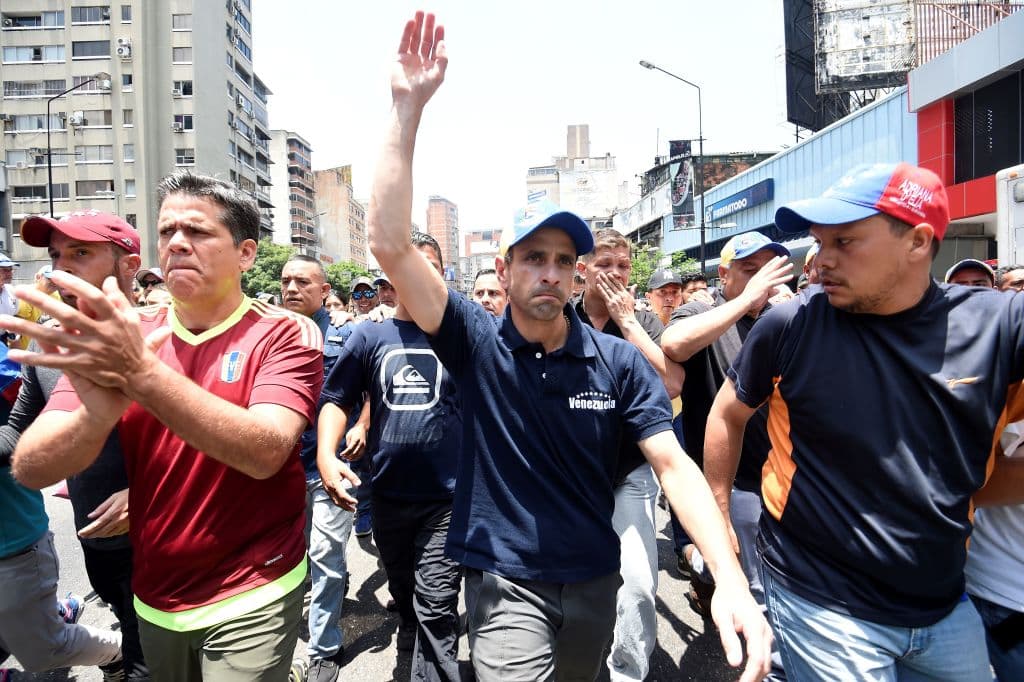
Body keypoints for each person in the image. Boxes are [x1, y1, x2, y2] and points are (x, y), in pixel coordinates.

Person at [364, 13, 770, 682]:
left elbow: (672, 465)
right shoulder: (472, 339)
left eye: (562, 259)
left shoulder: (615, 364)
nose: (549, 272)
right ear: (506, 270)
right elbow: (389, 243)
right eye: (532, 258)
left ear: (579, 272)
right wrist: (406, 108)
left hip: (592, 577)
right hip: (503, 580)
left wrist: (727, 575)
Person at [703, 161, 1024, 681]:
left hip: (944, 606)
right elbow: (725, 413)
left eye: (844, 242)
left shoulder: (998, 326)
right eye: (817, 241)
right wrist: (718, 517)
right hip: (820, 599)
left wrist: (977, 479)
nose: (819, 259)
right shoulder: (792, 324)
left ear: (918, 242)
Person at [7, 172, 324, 682]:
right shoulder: (128, 340)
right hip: (155, 595)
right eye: (167, 231)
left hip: (254, 585)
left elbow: (266, 452)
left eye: (197, 231)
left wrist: (141, 376)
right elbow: (33, 465)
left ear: (245, 254)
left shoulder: (282, 335)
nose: (177, 243)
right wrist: (96, 411)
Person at [0, 212, 141, 678]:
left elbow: (226, 452)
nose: (62, 267)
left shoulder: (171, 334)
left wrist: (148, 497)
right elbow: (19, 429)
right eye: (56, 256)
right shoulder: (50, 348)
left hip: (172, 541)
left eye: (81, 253)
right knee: (131, 639)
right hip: (97, 536)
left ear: (129, 265)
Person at [319, 233, 463, 680]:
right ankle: (407, 619)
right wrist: (326, 455)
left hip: (449, 499)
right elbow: (337, 399)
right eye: (408, 268)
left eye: (429, 268)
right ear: (393, 280)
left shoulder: (464, 335)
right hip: (387, 495)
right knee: (403, 585)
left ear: (442, 276)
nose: (418, 278)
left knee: (438, 605)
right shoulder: (370, 335)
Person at [575, 230, 683, 681]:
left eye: (623, 265)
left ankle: (627, 672)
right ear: (582, 270)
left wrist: (631, 324)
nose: (615, 274)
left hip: (632, 471)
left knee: (638, 584)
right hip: (573, 472)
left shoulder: (645, 322)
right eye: (605, 264)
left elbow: (673, 384)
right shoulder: (561, 314)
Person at [280, 254, 363, 682]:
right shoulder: (267, 335)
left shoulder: (348, 337)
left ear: (324, 290)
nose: (292, 289)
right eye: (286, 281)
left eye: (303, 281)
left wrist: (361, 427)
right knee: (297, 559)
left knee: (326, 554)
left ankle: (324, 647)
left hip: (331, 466)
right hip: (280, 470)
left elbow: (365, 393)